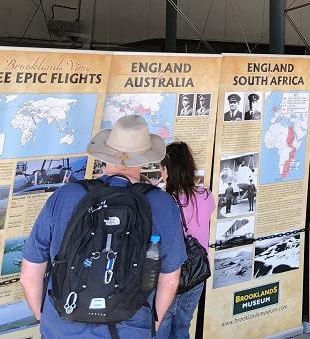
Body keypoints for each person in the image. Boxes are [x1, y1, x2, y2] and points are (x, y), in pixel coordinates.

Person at [20, 115, 186, 338]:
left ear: (105, 153)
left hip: (62, 328)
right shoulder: (162, 204)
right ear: (145, 158)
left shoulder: (66, 196)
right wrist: (150, 327)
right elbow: (171, 278)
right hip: (130, 330)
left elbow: (29, 275)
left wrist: (46, 320)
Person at [156, 142, 216, 339]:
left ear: (167, 169)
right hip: (196, 273)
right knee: (182, 327)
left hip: (169, 276)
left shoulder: (164, 200)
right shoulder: (206, 196)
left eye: (162, 168)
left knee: (162, 326)